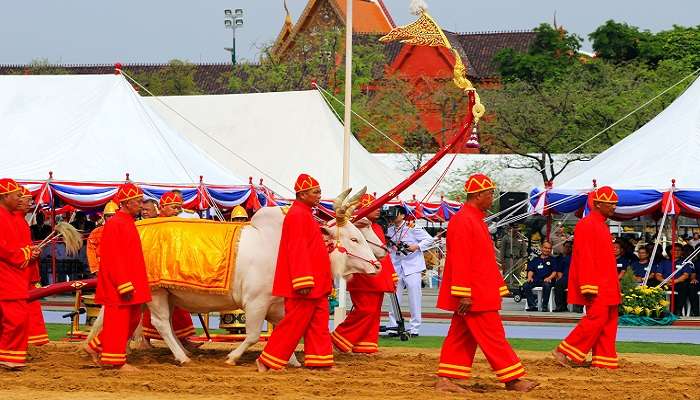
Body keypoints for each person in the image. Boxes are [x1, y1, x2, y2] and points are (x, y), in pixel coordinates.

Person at [435, 174, 537, 393]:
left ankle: (446, 380)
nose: (492, 198)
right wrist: (464, 293)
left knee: (460, 335)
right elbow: (460, 259)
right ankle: (512, 379)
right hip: (475, 292)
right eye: (490, 193)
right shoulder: (464, 220)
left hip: (478, 290)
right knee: (493, 335)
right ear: (478, 195)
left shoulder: (473, 218)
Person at [257, 174, 333, 371]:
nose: (319, 196)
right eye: (316, 192)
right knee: (293, 324)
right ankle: (267, 359)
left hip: (317, 282)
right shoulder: (298, 215)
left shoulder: (305, 213)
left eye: (319, 192)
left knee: (319, 322)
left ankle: (320, 361)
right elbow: (296, 249)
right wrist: (302, 281)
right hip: (306, 283)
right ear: (302, 193)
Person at [552, 186, 621, 369]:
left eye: (615, 204)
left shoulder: (601, 225)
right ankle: (564, 351)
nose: (614, 207)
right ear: (598, 204)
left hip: (608, 283)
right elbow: (585, 257)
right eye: (611, 204)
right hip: (597, 283)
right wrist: (588, 285)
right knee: (596, 319)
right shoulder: (586, 224)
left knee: (609, 319)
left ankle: (604, 360)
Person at [85, 183, 151, 371]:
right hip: (121, 282)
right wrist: (123, 283)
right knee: (118, 320)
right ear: (127, 203)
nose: (141, 205)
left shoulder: (127, 221)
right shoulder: (116, 223)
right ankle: (114, 361)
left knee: (132, 319)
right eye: (138, 201)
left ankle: (95, 346)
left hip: (132, 280)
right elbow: (112, 257)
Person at [331, 193, 397, 354]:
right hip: (363, 276)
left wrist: (391, 275)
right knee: (365, 310)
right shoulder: (353, 227)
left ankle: (365, 345)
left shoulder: (377, 227)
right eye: (372, 207)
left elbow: (384, 256)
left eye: (378, 207)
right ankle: (339, 337)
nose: (378, 210)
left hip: (378, 276)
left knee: (374, 311)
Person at [141, 191, 197, 346]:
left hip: (172, 272)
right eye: (173, 207)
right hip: (156, 272)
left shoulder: (175, 223)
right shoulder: (155, 225)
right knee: (152, 308)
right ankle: (145, 339)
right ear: (163, 207)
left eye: (179, 208)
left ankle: (182, 339)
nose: (177, 211)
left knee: (177, 306)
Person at [0, 178, 41, 370]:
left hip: (14, 274)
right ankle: (8, 357)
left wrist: (30, 254)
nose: (21, 199)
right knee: (16, 317)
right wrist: (25, 253)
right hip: (6, 275)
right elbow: (3, 248)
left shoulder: (9, 216)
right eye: (17, 195)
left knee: (13, 317)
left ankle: (9, 355)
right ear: (5, 196)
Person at [386, 206, 434, 336]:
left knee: (414, 297)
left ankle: (414, 328)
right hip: (396, 267)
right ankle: (393, 326)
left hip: (412, 267)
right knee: (394, 298)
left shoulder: (412, 228)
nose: (392, 217)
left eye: (395, 214)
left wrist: (416, 246)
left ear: (402, 215)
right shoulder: (389, 230)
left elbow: (430, 239)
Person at [15, 187, 50, 347]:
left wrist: (32, 251)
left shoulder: (21, 221)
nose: (31, 202)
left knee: (31, 307)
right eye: (27, 198)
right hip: (18, 273)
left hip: (26, 270)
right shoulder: (12, 220)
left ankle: (34, 341)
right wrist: (29, 253)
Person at [523, 241, 557, 312]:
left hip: (547, 281)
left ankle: (544, 306)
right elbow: (530, 270)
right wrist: (529, 277)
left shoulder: (553, 260)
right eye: (545, 248)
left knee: (547, 285)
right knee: (526, 285)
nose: (547, 250)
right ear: (541, 248)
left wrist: (549, 278)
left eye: (549, 248)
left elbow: (554, 272)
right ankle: (532, 305)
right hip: (536, 280)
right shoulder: (535, 259)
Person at [86, 201, 118, 274]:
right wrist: (95, 269)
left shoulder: (124, 230)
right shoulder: (96, 232)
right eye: (109, 216)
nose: (111, 218)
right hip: (102, 268)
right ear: (104, 217)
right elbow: (90, 251)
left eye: (113, 215)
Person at [553, 241, 574, 312]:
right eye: (566, 246)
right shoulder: (561, 258)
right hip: (566, 277)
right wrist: (560, 279)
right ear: (563, 247)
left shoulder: (575, 256)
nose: (568, 248)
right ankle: (559, 306)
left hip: (576, 278)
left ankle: (577, 307)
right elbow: (559, 271)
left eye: (570, 247)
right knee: (559, 283)